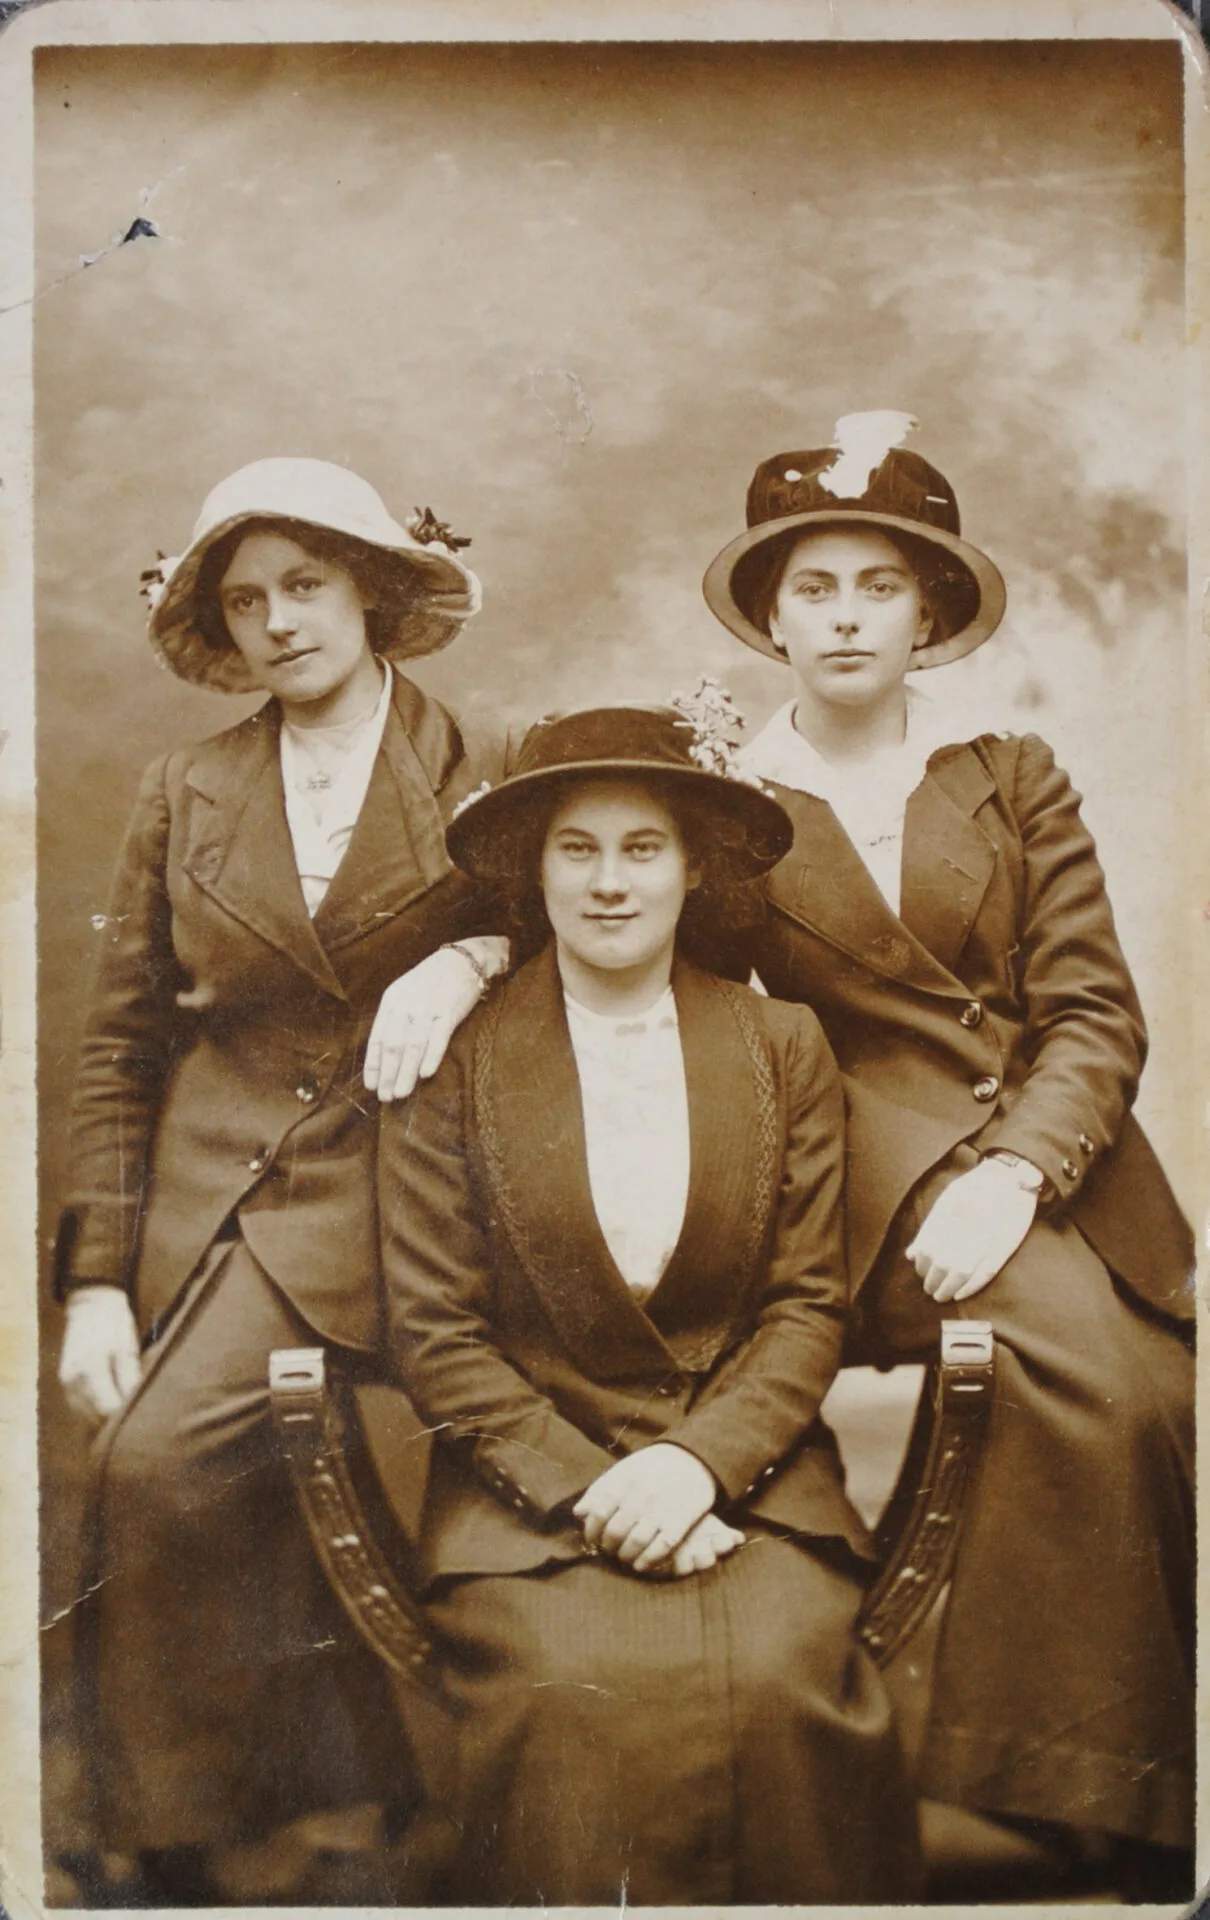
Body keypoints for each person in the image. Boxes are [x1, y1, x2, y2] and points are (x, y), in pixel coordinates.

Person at [699, 411, 1196, 1886]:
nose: (846, 617)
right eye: (813, 588)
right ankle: (1061, 1797)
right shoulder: (728, 799)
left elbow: (1091, 1010)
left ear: (928, 616)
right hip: (859, 1172)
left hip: (1044, 1160)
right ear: (773, 615)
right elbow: (704, 1019)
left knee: (1164, 1390)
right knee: (1089, 1382)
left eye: (880, 587)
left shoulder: (1009, 774)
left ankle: (1069, 1764)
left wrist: (1018, 1167)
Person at [54, 457, 515, 1904]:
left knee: (203, 1459)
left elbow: (598, 928)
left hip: (415, 1187)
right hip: (219, 1194)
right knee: (134, 1463)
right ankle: (199, 1843)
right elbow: (121, 1042)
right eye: (246, 601)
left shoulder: (488, 760)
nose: (279, 622)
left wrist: (472, 953)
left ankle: (329, 1828)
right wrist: (93, 1280)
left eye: (304, 585)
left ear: (367, 591)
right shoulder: (185, 788)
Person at [374, 701, 922, 1907]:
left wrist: (694, 1467)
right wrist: (594, 1489)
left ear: (694, 868)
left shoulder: (780, 1044)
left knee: (782, 1686)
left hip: (750, 1486)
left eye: (642, 848)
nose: (609, 883)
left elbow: (805, 1307)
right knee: (561, 1706)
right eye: (576, 849)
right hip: (527, 1504)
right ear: (534, 872)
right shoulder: (456, 1059)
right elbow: (434, 1332)